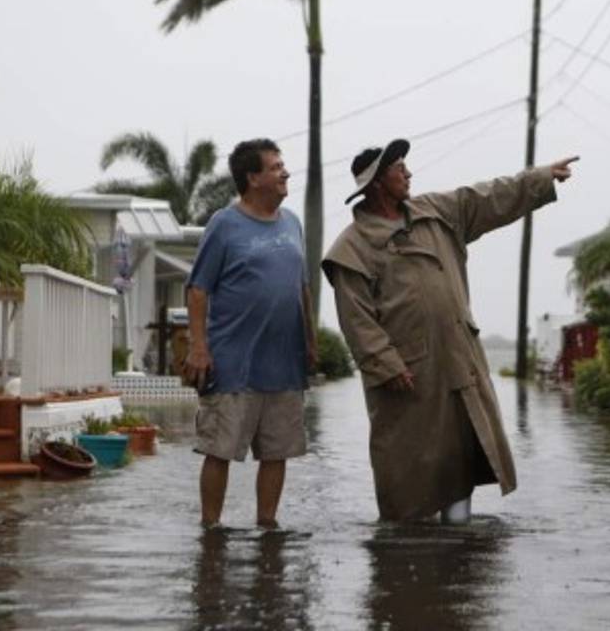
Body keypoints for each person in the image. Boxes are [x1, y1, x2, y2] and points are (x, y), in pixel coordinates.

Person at [322, 139, 577, 522]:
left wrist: (539, 179)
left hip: (458, 361)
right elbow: (356, 319)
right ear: (376, 182)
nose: (408, 174)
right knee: (409, 468)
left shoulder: (437, 212)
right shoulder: (351, 247)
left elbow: (488, 197)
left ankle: (457, 547)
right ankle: (406, 556)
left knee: (459, 457)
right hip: (407, 375)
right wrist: (385, 365)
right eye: (399, 169)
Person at [184, 138, 317, 528]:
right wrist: (199, 348)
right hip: (232, 361)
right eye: (276, 167)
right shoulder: (224, 224)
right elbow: (197, 289)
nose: (285, 172)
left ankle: (267, 526)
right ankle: (211, 529)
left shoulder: (292, 222)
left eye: (282, 165)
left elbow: (302, 287)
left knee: (278, 451)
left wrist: (309, 341)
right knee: (219, 450)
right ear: (253, 177)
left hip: (284, 362)